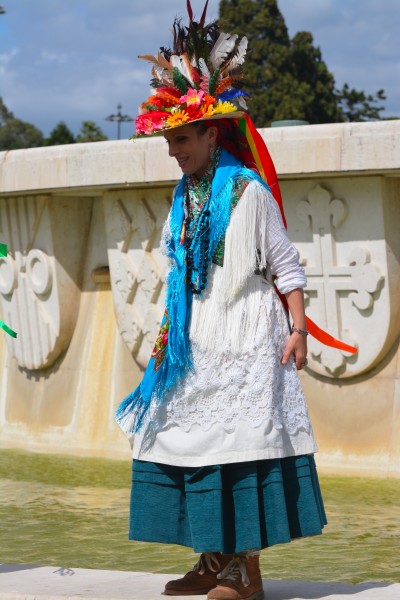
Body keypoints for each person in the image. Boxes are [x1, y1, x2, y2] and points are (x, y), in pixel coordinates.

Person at [115, 4, 339, 599]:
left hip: (246, 333)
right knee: (187, 439)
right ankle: (213, 560)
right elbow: (180, 266)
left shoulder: (248, 191)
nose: (174, 150)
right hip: (195, 335)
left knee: (242, 446)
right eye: (170, 140)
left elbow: (286, 266)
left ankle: (247, 569)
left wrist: (298, 331)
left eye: (182, 139)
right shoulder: (182, 194)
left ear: (212, 133)